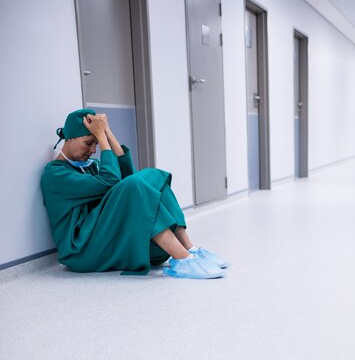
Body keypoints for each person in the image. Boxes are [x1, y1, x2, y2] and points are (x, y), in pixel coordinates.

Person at [41, 108, 229, 279]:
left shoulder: (92, 168)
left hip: (103, 239)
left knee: (153, 181)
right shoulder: (56, 174)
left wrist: (107, 132)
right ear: (70, 139)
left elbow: (127, 177)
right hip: (81, 250)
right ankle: (183, 259)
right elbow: (114, 182)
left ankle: (190, 250)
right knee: (136, 187)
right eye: (89, 143)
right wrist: (101, 135)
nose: (93, 150)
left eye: (97, 144)